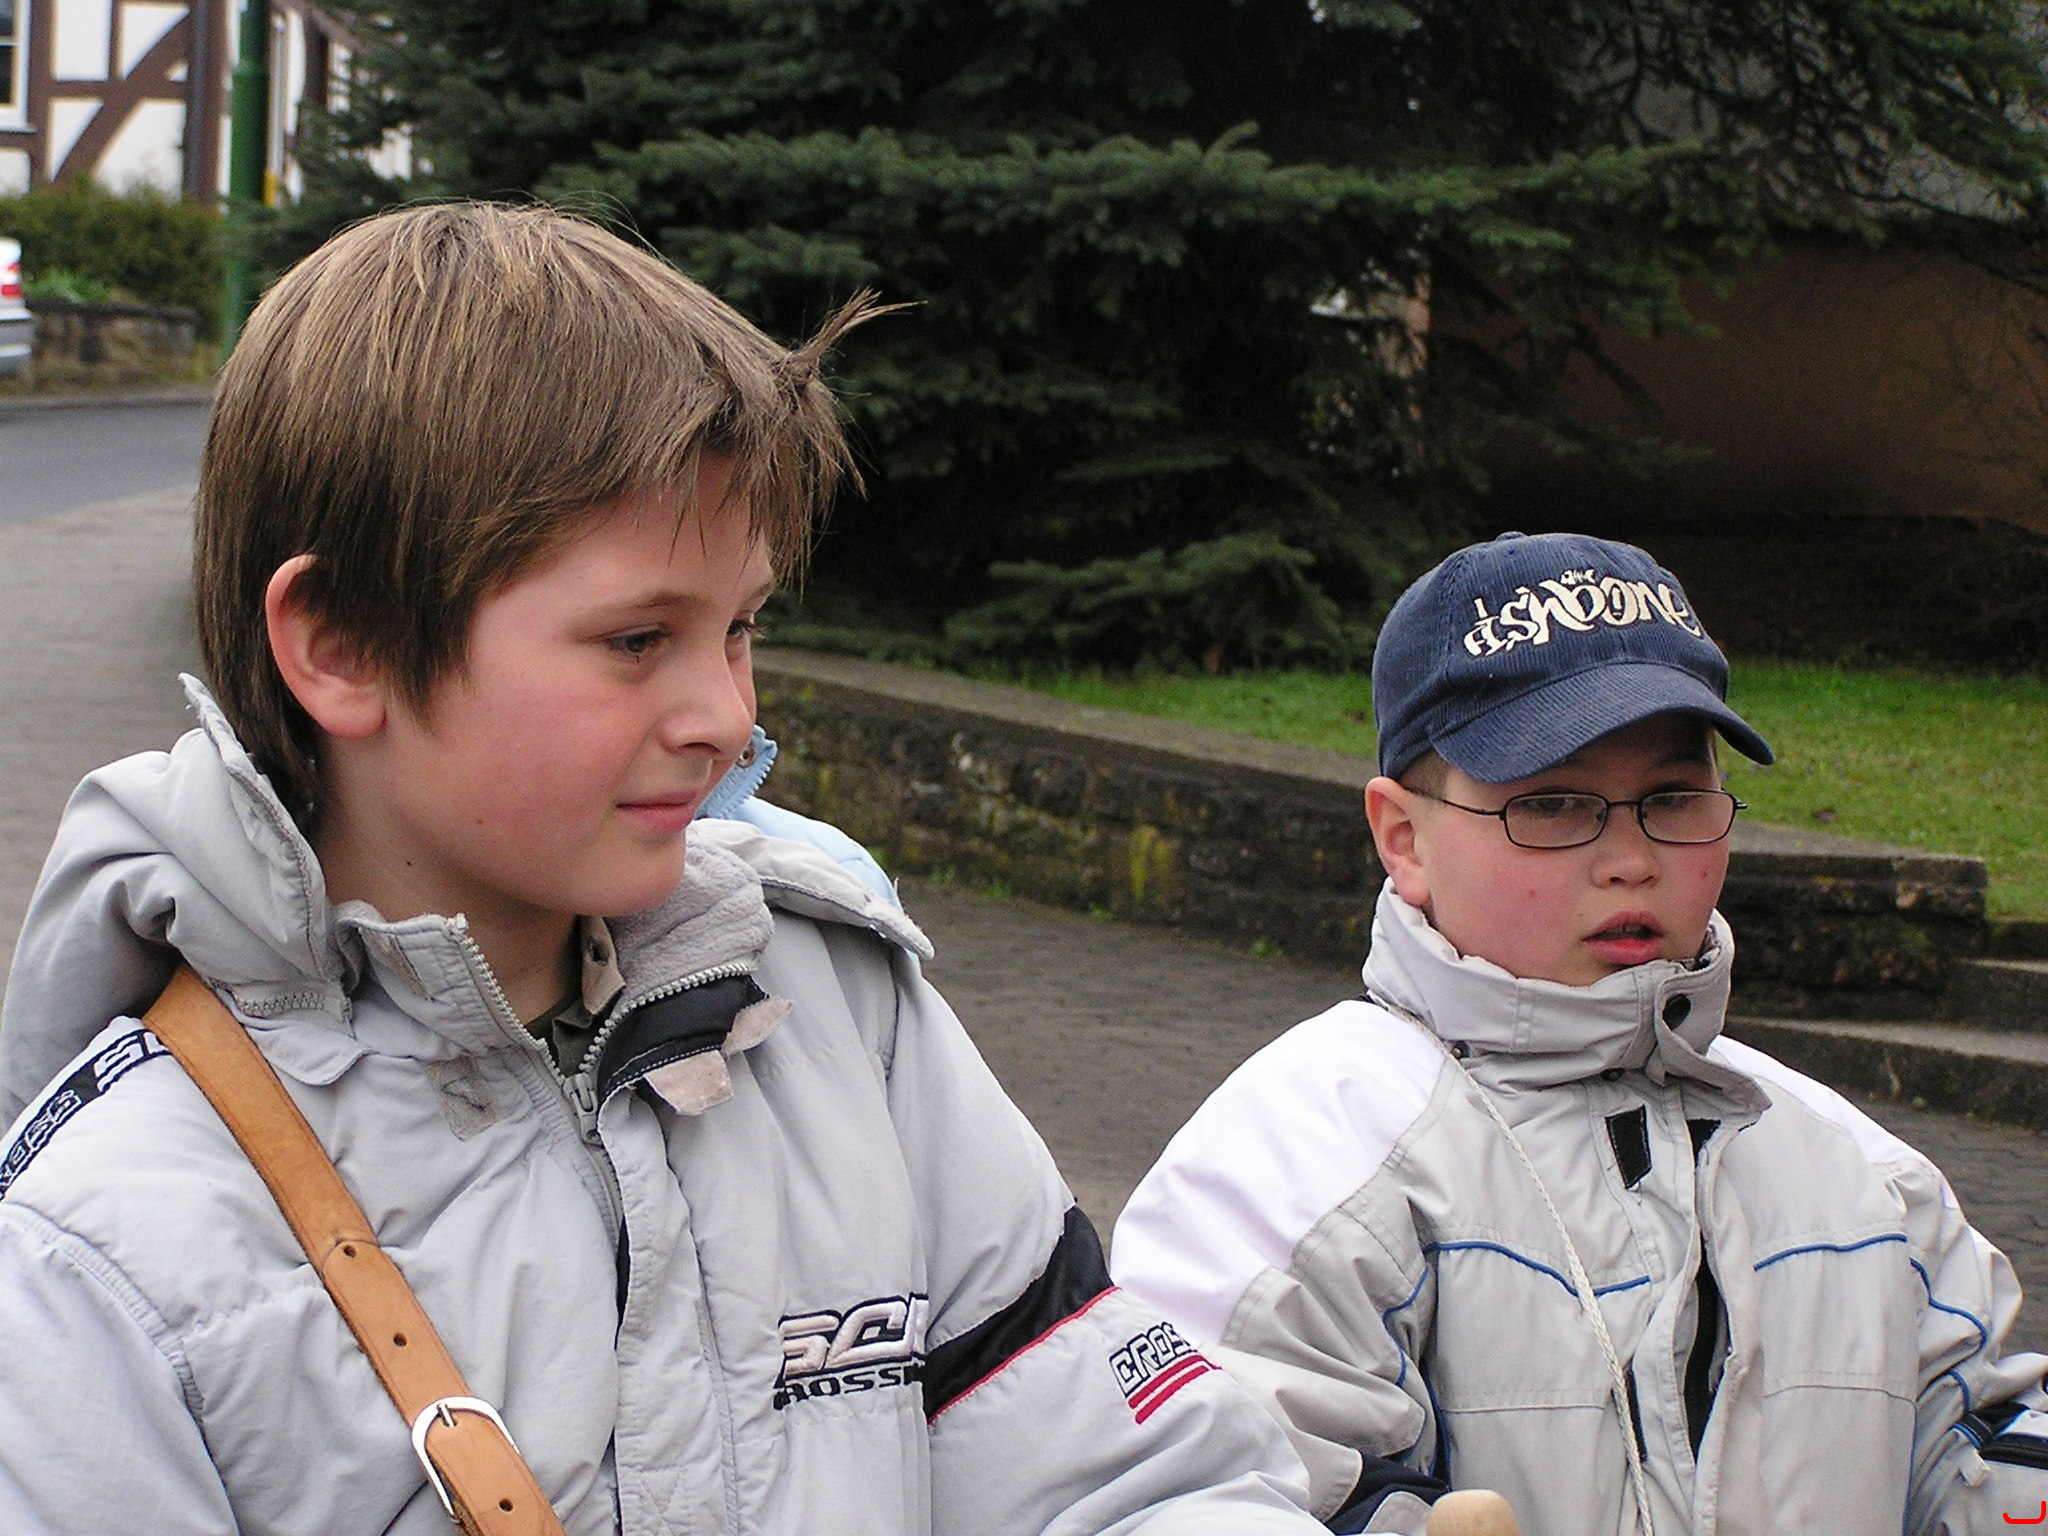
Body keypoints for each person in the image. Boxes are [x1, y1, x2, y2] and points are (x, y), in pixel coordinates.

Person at [0, 203, 1319, 1535]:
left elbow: (1133, 1481)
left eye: (740, 627)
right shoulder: (100, 1248)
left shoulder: (844, 1018)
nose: (728, 717)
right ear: (342, 645)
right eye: (638, 640)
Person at [1110, 531, 2048, 1535]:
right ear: (1403, 837)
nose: (1630, 859)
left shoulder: (1868, 1182)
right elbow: (1197, 1482)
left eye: (1670, 799)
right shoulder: (1300, 1164)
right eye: (1553, 805)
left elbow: (1982, 1446)